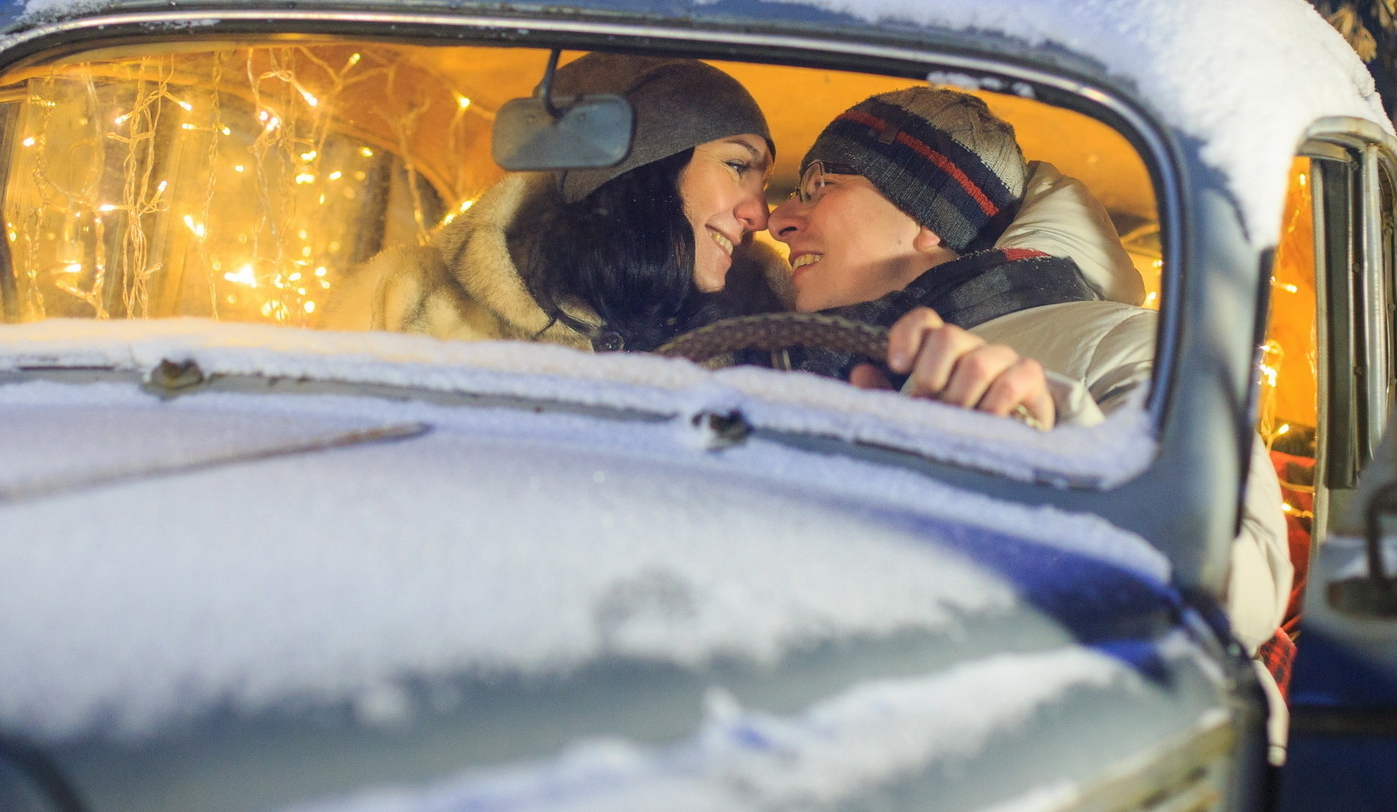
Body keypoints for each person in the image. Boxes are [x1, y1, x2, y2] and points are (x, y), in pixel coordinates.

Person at [769, 87, 1291, 651]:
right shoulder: (803, 359)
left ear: (927, 217)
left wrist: (1059, 458)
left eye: (822, 186)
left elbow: (1242, 585)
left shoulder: (1142, 344)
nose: (779, 220)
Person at [324, 53, 787, 350]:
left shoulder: (771, 337)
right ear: (647, 168)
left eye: (762, 182)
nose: (760, 214)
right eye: (737, 166)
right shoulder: (408, 297)